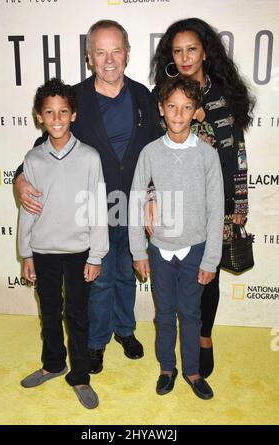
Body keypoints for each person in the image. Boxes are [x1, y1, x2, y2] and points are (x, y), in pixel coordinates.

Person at [14, 20, 162, 374]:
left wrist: (155, 195)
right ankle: (96, 341)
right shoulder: (75, 98)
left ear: (127, 54)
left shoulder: (144, 95)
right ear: (89, 57)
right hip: (91, 209)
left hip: (133, 205)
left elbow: (159, 149)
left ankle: (124, 330)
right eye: (100, 52)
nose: (109, 59)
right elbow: (44, 144)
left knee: (127, 274)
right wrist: (20, 177)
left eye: (116, 51)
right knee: (97, 278)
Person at [148, 17, 255, 378]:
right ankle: (173, 352)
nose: (185, 57)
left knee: (208, 276)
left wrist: (239, 203)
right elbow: (150, 153)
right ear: (170, 56)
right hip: (176, 206)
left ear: (205, 51)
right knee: (175, 281)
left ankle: (203, 337)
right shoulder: (163, 96)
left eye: (192, 49)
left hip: (219, 201)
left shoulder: (225, 95)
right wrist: (149, 196)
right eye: (177, 51)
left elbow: (237, 150)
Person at [129, 76, 224, 399]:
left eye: (186, 107)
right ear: (161, 109)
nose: (179, 114)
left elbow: (216, 209)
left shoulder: (207, 155)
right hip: (159, 251)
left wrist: (211, 258)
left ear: (196, 110)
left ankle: (193, 372)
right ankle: (167, 368)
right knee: (165, 313)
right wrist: (138, 251)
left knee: (192, 314)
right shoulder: (150, 153)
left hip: (195, 249)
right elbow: (136, 200)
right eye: (172, 107)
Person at [18, 78, 109, 409]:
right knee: (50, 312)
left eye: (63, 112)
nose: (56, 118)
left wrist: (96, 255)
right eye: (49, 112)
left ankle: (80, 375)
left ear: (74, 114)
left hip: (78, 252)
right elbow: (28, 209)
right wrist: (25, 252)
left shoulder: (89, 158)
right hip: (43, 252)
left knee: (78, 315)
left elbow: (98, 208)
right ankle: (53, 364)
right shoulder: (32, 160)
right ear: (39, 117)